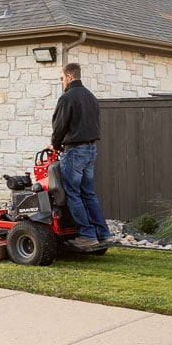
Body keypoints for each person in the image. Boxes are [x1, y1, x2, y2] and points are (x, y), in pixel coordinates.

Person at [50, 62, 114, 251]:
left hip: (75, 151)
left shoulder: (67, 97)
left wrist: (55, 144)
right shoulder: (90, 97)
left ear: (69, 77)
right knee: (88, 192)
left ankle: (86, 235)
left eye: (62, 78)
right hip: (91, 149)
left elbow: (59, 126)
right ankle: (102, 233)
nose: (62, 82)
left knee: (72, 193)